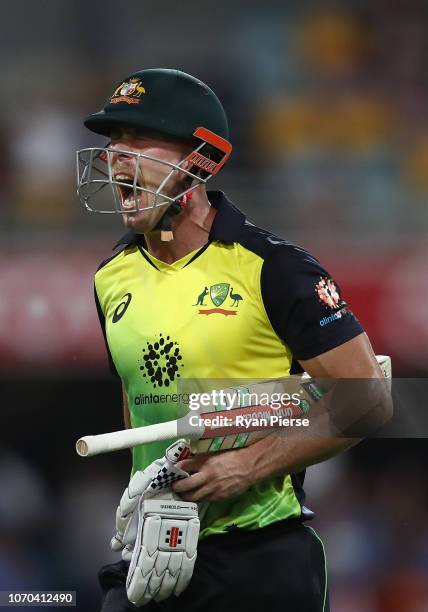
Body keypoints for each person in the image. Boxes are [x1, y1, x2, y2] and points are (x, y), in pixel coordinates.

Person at [77, 68, 390, 611]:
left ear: (198, 159)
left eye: (137, 139)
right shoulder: (111, 277)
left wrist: (248, 465)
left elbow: (367, 398)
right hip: (155, 550)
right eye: (112, 142)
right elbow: (140, 404)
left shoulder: (273, 267)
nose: (116, 158)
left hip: (261, 560)